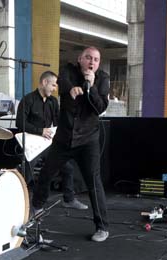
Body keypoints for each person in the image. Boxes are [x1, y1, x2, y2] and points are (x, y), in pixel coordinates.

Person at [32, 47, 110, 242]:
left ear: (98, 64)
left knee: (94, 182)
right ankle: (36, 208)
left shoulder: (103, 79)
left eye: (96, 59)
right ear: (80, 59)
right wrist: (71, 89)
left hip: (88, 139)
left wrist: (90, 88)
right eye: (88, 58)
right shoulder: (68, 71)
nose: (92, 62)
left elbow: (100, 107)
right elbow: (62, 81)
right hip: (64, 138)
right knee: (46, 173)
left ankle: (102, 227)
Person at [16, 70, 88, 210]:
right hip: (32, 145)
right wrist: (40, 131)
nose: (55, 89)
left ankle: (69, 199)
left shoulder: (53, 102)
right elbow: (20, 123)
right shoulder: (28, 99)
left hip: (48, 144)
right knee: (26, 176)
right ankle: (19, 202)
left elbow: (57, 122)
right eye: (53, 85)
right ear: (44, 82)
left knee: (68, 168)